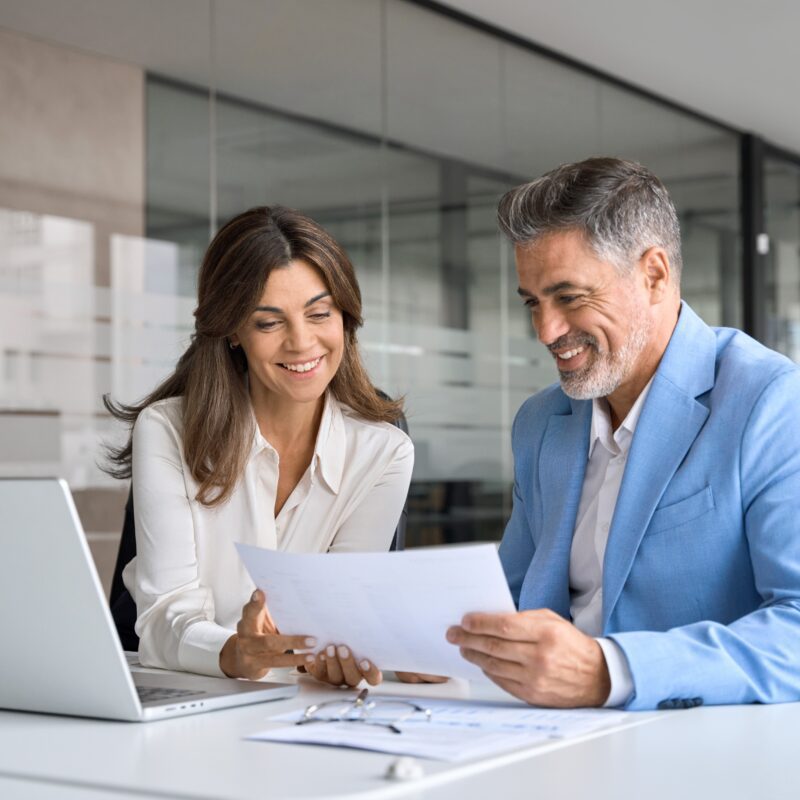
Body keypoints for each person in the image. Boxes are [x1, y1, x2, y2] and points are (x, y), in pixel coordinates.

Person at [446, 157, 800, 710]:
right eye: (533, 303)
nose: (545, 331)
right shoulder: (540, 422)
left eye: (569, 297)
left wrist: (610, 671)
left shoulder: (771, 402)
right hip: (545, 733)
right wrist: (419, 646)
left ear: (653, 275)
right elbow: (508, 602)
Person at [105, 206, 413, 686]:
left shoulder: (385, 451)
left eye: (319, 314)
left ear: (345, 317)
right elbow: (165, 615)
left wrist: (366, 648)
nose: (302, 342)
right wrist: (234, 652)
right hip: (185, 691)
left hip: (296, 702)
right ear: (233, 330)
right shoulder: (166, 429)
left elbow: (339, 619)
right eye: (269, 323)